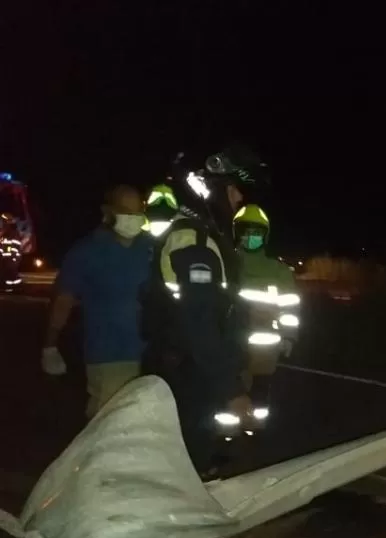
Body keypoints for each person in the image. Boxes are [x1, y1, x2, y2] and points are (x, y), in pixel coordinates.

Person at [141, 146, 265, 474]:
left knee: (187, 460)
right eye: (234, 190)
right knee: (185, 466)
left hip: (188, 371)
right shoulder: (193, 241)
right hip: (189, 377)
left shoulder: (198, 235)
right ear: (205, 188)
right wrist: (231, 390)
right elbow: (200, 322)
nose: (239, 200)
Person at [41, 185, 153, 419]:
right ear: (108, 211)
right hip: (110, 357)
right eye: (125, 211)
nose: (132, 219)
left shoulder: (150, 247)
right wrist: (50, 345)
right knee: (108, 425)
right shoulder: (87, 252)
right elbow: (64, 299)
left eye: (137, 212)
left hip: (152, 356)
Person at [233, 203, 299, 429]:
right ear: (237, 233)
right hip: (233, 350)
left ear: (265, 236)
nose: (251, 237)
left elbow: (290, 307)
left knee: (260, 401)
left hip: (266, 353)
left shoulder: (278, 271)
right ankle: (226, 443)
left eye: (256, 232)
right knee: (230, 401)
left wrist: (289, 336)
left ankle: (254, 436)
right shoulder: (228, 264)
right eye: (246, 231)